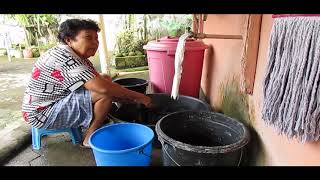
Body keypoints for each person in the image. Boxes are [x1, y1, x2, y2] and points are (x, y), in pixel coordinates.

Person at [21, 19, 152, 148]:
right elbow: (103, 89)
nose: (95, 43)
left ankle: (100, 115)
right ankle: (89, 137)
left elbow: (101, 82)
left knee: (104, 77)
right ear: (69, 40)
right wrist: (140, 97)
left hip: (53, 102)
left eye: (96, 38)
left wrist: (129, 99)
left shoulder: (72, 54)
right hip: (41, 113)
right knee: (104, 94)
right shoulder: (65, 58)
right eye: (88, 38)